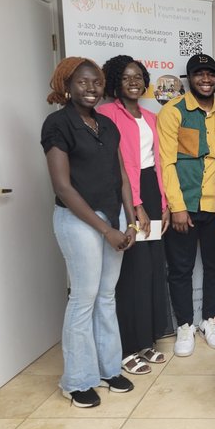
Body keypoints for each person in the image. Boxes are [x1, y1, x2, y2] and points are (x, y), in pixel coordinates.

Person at [41, 57, 136, 408]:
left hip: (112, 217)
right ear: (67, 85)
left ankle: (108, 369)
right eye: (83, 82)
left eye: (96, 82)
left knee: (106, 296)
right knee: (84, 298)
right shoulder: (57, 125)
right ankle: (77, 380)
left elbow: (121, 174)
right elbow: (63, 187)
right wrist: (105, 230)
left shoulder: (107, 126)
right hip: (78, 220)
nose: (91, 88)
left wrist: (131, 216)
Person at [157, 54, 215, 356]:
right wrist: (176, 206)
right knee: (180, 268)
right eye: (199, 74)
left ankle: (210, 321)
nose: (205, 79)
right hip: (185, 206)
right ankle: (185, 325)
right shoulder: (173, 112)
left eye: (210, 74)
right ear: (189, 79)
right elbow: (166, 162)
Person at [99, 55, 172, 375]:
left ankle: (146, 341)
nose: (134, 81)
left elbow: (156, 164)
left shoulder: (151, 117)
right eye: (126, 76)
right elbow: (118, 168)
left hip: (152, 194)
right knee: (130, 271)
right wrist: (136, 204)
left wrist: (164, 204)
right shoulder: (105, 115)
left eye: (139, 76)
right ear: (115, 80)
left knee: (153, 267)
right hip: (126, 196)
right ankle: (126, 347)